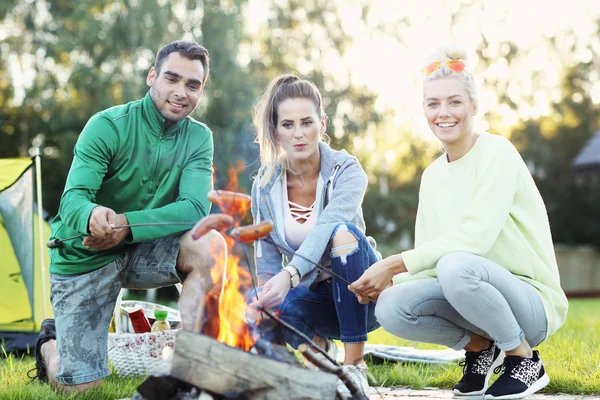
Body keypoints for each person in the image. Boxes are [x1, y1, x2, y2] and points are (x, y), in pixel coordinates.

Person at [350, 45, 568, 400]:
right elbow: (427, 263)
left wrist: (393, 263)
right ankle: (480, 348)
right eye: (433, 104)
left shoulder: (497, 152)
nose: (443, 113)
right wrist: (383, 283)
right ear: (424, 110)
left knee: (455, 265)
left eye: (454, 102)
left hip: (529, 303)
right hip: (470, 295)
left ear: (474, 106)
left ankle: (524, 359)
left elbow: (475, 239)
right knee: (390, 305)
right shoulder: (432, 176)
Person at [29, 40, 224, 394]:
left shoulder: (199, 138)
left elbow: (195, 208)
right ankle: (50, 346)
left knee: (210, 245)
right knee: (82, 389)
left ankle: (188, 371)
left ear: (201, 90)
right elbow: (72, 200)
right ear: (152, 77)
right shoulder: (108, 125)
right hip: (86, 255)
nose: (181, 92)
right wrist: (94, 215)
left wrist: (127, 225)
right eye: (172, 79)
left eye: (193, 85)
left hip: (142, 249)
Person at [248, 73, 381, 395]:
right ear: (275, 131)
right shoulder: (264, 186)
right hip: (312, 299)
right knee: (259, 305)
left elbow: (328, 226)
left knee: (342, 234)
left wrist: (290, 273)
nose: (298, 134)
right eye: (288, 124)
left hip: (361, 296)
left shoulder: (346, 170)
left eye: (306, 122)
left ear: (322, 122)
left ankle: (354, 366)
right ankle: (319, 357)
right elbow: (265, 250)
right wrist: (264, 298)